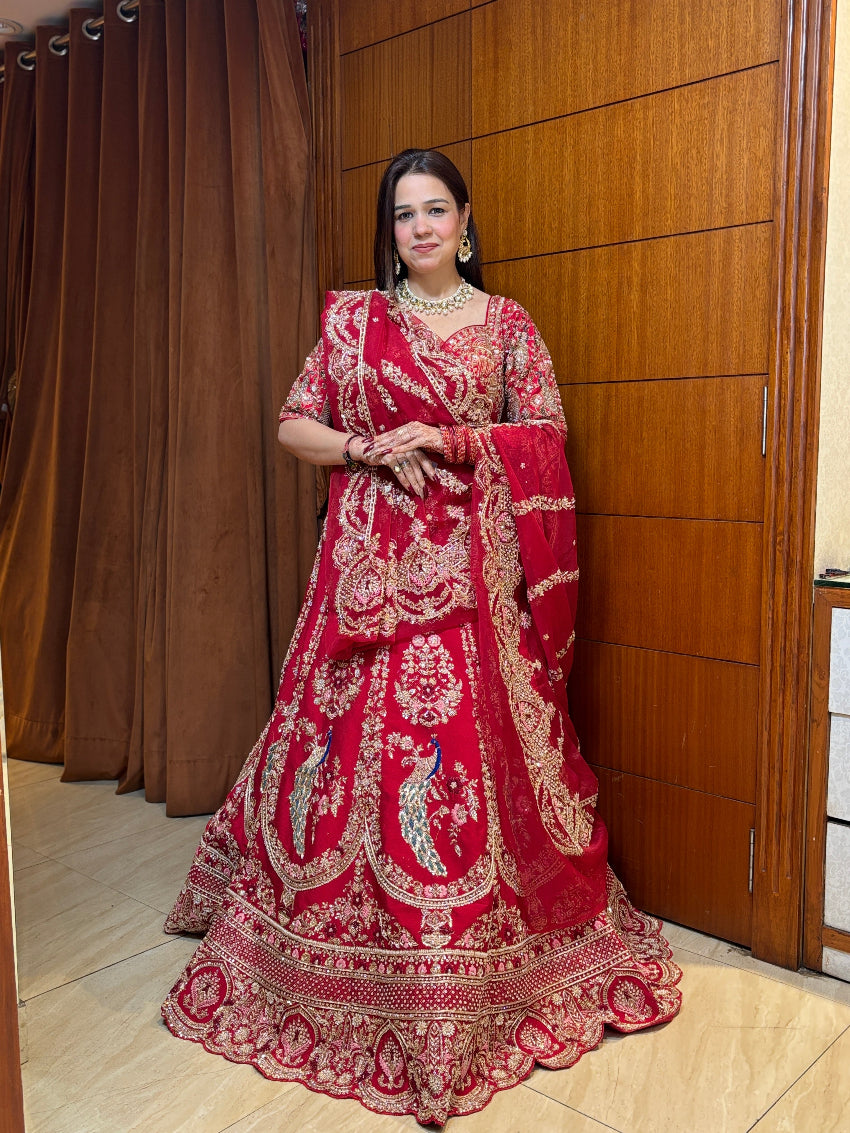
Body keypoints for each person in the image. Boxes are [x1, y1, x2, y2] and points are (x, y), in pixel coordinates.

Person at [162, 148, 682, 1125]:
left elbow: (547, 434)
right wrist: (364, 446)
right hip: (366, 580)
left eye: (435, 209)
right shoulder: (359, 321)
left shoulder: (506, 324)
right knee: (343, 764)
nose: (420, 228)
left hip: (471, 583)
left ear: (465, 219)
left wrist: (447, 441)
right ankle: (334, 938)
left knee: (458, 765)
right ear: (388, 228)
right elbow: (293, 425)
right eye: (403, 214)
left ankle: (461, 949)